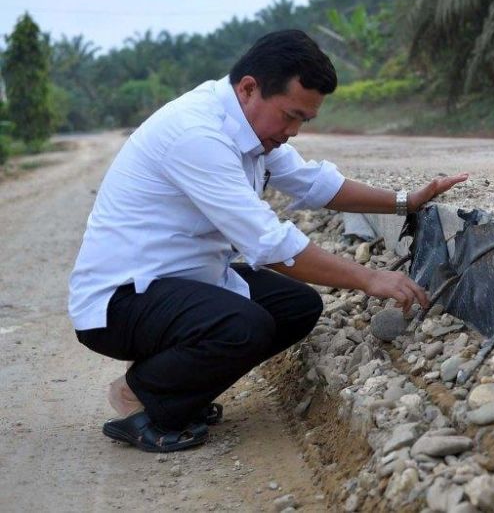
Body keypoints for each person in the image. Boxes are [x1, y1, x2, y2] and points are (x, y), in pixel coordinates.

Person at [69, 29, 468, 452]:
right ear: (248, 89)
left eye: (304, 120)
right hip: (123, 299)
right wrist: (369, 278)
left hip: (182, 283)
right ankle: (139, 398)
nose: (293, 130)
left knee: (297, 306)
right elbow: (267, 242)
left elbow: (313, 183)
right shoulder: (197, 134)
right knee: (244, 326)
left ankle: (173, 389)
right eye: (290, 115)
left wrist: (405, 202)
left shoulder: (252, 127)